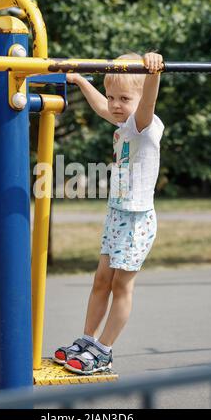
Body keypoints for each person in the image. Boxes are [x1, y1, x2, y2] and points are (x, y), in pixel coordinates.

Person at [53, 52, 165, 375]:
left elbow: (147, 101)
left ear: (142, 99)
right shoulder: (122, 121)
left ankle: (104, 349)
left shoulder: (144, 125)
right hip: (117, 214)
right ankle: (87, 339)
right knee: (102, 279)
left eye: (124, 98)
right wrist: (79, 80)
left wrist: (153, 73)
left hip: (137, 219)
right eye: (113, 96)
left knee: (121, 285)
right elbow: (101, 106)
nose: (116, 104)